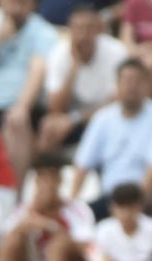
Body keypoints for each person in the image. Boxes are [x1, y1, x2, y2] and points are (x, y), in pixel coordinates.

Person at [0, 0, 62, 177]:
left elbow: (38, 69)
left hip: (18, 105)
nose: (17, 4)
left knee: (17, 122)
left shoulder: (44, 32)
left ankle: (13, 194)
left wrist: (22, 106)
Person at [72, 57, 152, 205]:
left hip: (150, 200)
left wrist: (133, 206)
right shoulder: (103, 118)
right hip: (111, 198)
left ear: (146, 85)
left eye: (137, 81)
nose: (132, 87)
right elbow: (83, 164)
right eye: (127, 81)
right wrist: (73, 204)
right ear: (117, 84)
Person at [36, 4, 130, 156]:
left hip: (108, 119)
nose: (83, 35)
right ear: (70, 29)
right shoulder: (58, 54)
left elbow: (119, 102)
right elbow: (55, 108)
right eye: (78, 28)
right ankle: (49, 178)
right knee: (49, 127)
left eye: (88, 28)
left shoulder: (117, 52)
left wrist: (76, 119)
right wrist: (75, 67)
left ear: (99, 29)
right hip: (74, 121)